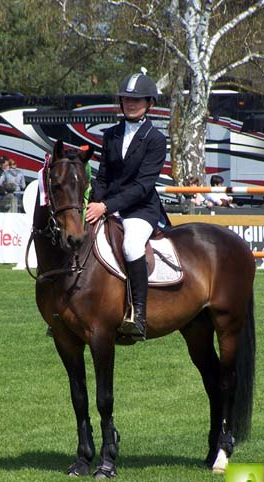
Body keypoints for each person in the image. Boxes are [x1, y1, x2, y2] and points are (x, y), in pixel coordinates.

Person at [86, 71, 169, 341]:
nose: (131, 104)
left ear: (149, 103)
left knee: (132, 246)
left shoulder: (156, 139)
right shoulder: (110, 134)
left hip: (140, 209)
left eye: (137, 100)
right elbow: (102, 176)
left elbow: (143, 186)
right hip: (107, 205)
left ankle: (138, 315)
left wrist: (106, 207)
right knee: (78, 237)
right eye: (126, 100)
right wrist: (94, 203)